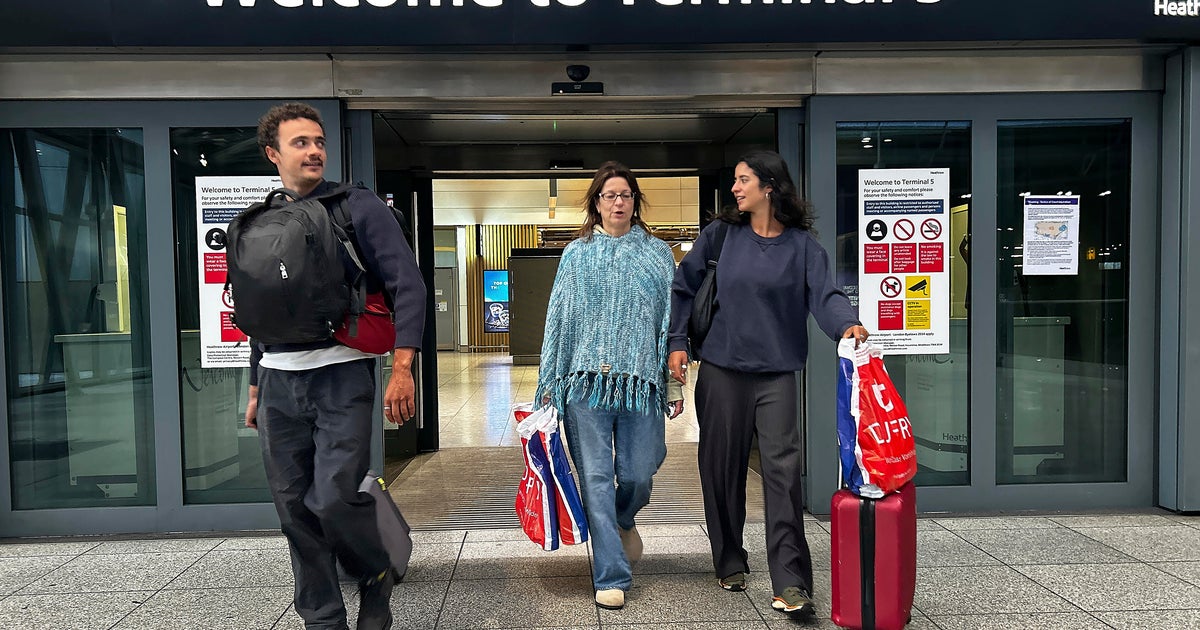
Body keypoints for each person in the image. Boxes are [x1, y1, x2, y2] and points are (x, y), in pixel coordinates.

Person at [242, 103, 426, 630]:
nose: (314, 151)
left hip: (341, 376)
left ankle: (375, 569)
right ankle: (322, 620)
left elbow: (408, 285)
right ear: (273, 154)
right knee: (294, 512)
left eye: (319, 141)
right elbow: (260, 312)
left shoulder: (356, 207)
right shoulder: (261, 220)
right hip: (277, 381)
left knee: (332, 498)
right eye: (300, 142)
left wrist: (402, 367)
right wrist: (254, 387)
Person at [667, 150, 869, 617]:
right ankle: (729, 558)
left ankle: (791, 582)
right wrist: (677, 342)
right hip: (721, 370)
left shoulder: (802, 247)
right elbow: (684, 288)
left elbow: (826, 295)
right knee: (722, 470)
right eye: (735, 180)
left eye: (744, 180)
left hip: (776, 375)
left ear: (769, 187)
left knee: (782, 474)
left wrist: (847, 325)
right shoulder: (721, 236)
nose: (735, 188)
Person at [536, 161, 685, 611]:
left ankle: (624, 518)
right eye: (609, 195)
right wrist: (549, 384)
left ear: (635, 202)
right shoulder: (576, 254)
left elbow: (668, 324)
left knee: (639, 472)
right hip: (585, 386)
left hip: (640, 384)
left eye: (625, 195)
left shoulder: (657, 254)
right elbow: (558, 321)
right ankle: (610, 575)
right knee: (596, 480)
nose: (618, 202)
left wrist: (672, 387)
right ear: (596, 203)